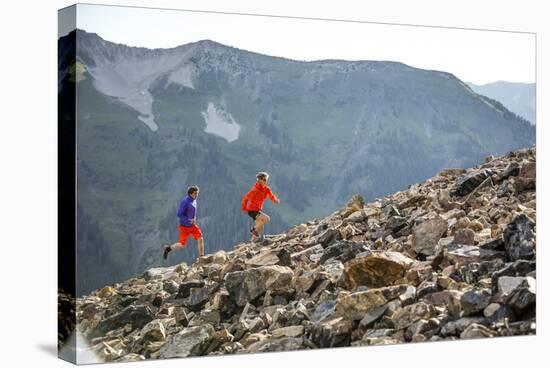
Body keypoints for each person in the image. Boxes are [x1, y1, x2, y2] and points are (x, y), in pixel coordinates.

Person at [163, 186, 204, 260]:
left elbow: (192, 212)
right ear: (190, 194)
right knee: (182, 245)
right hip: (184, 226)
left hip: (192, 225)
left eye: (197, 193)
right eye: (195, 193)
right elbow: (179, 214)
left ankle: (201, 257)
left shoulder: (194, 200)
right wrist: (189, 220)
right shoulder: (185, 202)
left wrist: (194, 219)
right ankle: (168, 249)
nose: (197, 195)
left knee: (200, 238)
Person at [241, 172, 280, 241]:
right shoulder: (255, 190)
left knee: (261, 227)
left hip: (257, 209)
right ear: (260, 180)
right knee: (267, 219)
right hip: (252, 210)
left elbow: (271, 195)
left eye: (265, 179)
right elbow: (245, 198)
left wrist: (275, 200)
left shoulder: (266, 189)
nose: (265, 181)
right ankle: (253, 229)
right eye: (263, 179)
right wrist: (244, 208)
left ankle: (252, 242)